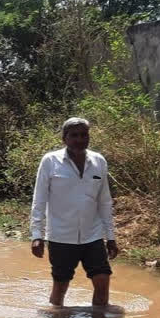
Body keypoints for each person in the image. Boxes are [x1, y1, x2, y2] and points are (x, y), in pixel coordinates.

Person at [30, 117, 119, 307]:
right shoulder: (50, 161)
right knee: (60, 286)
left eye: (84, 135)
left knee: (103, 281)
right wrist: (37, 235)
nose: (80, 139)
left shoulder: (99, 162)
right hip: (61, 236)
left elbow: (104, 201)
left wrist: (110, 237)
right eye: (74, 135)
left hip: (92, 235)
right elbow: (39, 200)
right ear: (65, 138)